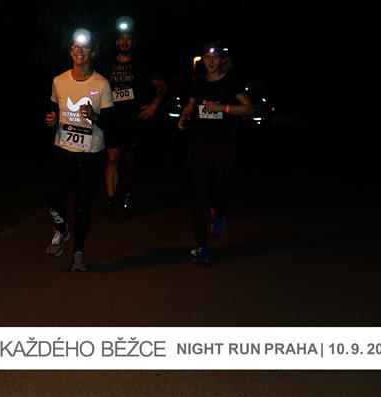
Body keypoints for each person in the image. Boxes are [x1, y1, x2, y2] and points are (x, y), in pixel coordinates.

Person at [44, 28, 114, 271]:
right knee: (53, 195)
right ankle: (62, 229)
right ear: (70, 51)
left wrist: (94, 116)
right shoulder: (59, 81)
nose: (79, 50)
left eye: (85, 47)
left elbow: (110, 123)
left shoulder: (101, 84)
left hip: (92, 154)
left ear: (92, 52)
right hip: (64, 149)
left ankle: (78, 253)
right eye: (75, 46)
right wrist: (51, 119)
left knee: (82, 205)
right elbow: (53, 110)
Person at [178, 42, 254, 264]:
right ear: (203, 60)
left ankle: (219, 212)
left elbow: (249, 108)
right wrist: (184, 118)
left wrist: (223, 108)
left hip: (225, 145)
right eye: (207, 57)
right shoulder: (198, 83)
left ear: (222, 60)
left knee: (221, 186)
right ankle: (201, 247)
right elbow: (191, 105)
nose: (211, 61)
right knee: (199, 196)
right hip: (200, 144)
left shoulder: (231, 82)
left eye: (215, 57)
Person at [102, 17, 168, 220]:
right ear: (116, 42)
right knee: (112, 159)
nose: (125, 42)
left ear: (133, 43)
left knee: (129, 160)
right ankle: (111, 202)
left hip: (134, 121)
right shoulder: (107, 65)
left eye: (128, 39)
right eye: (121, 39)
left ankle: (128, 187)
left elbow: (162, 86)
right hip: (113, 119)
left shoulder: (141, 65)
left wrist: (154, 106)